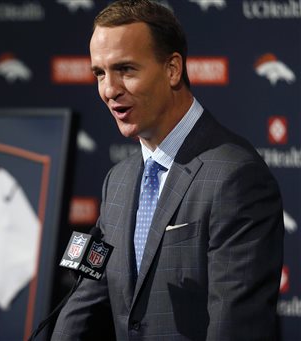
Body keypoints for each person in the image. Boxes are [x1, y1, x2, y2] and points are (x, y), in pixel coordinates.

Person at [52, 0, 284, 340]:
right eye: (100, 73)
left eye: (126, 70)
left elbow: (234, 328)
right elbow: (82, 307)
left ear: (173, 69)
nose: (109, 89)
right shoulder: (117, 182)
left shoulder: (235, 177)